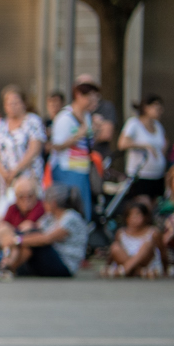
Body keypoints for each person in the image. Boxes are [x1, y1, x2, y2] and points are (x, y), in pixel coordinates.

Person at [0, 183, 88, 280]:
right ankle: (7, 265)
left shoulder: (71, 218)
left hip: (65, 265)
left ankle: (8, 268)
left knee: (34, 241)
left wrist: (16, 240)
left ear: (53, 203)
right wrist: (16, 233)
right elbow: (34, 228)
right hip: (50, 260)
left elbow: (47, 239)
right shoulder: (50, 218)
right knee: (28, 235)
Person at [46, 76, 105, 236]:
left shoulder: (86, 116)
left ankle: (80, 245)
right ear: (79, 95)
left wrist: (96, 131)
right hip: (66, 171)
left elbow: (88, 145)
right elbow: (56, 145)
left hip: (82, 171)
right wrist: (79, 134)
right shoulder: (64, 118)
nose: (94, 100)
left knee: (82, 210)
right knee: (69, 211)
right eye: (91, 96)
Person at [0, 85, 45, 191]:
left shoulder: (32, 121)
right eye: (9, 103)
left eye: (16, 103)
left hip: (29, 178)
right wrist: (4, 172)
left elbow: (34, 149)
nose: (12, 106)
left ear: (24, 103)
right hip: (5, 181)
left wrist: (15, 171)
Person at [118, 95, 169, 202]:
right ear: (146, 108)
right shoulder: (134, 123)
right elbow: (122, 143)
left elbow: (164, 145)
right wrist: (145, 145)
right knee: (143, 206)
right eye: (156, 108)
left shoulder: (158, 126)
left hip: (157, 175)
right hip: (141, 175)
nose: (159, 111)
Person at [103, 198, 164, 278]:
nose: (135, 218)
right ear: (127, 218)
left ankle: (125, 270)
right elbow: (113, 255)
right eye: (132, 215)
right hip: (129, 261)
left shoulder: (153, 232)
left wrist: (165, 268)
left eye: (138, 215)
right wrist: (107, 265)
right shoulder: (121, 233)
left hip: (146, 261)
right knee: (115, 247)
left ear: (145, 217)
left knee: (147, 244)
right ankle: (138, 271)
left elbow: (163, 251)